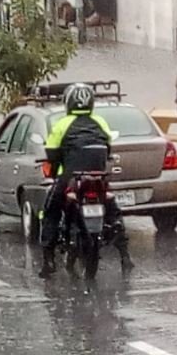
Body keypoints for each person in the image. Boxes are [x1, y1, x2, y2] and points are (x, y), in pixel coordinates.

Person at [39, 83, 133, 278]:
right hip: (99, 178)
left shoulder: (62, 124)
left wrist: (57, 173)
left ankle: (48, 260)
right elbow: (108, 147)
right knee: (113, 212)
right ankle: (125, 255)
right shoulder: (100, 122)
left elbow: (52, 154)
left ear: (68, 102)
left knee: (51, 210)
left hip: (71, 179)